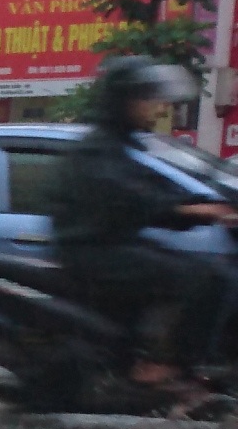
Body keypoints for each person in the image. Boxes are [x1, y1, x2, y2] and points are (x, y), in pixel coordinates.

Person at [45, 58, 236, 401]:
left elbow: (162, 189)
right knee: (208, 277)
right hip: (90, 251)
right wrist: (198, 210)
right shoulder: (97, 150)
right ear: (124, 101)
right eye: (148, 98)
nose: (158, 107)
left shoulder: (124, 146)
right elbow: (132, 198)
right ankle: (168, 365)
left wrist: (211, 204)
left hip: (112, 246)